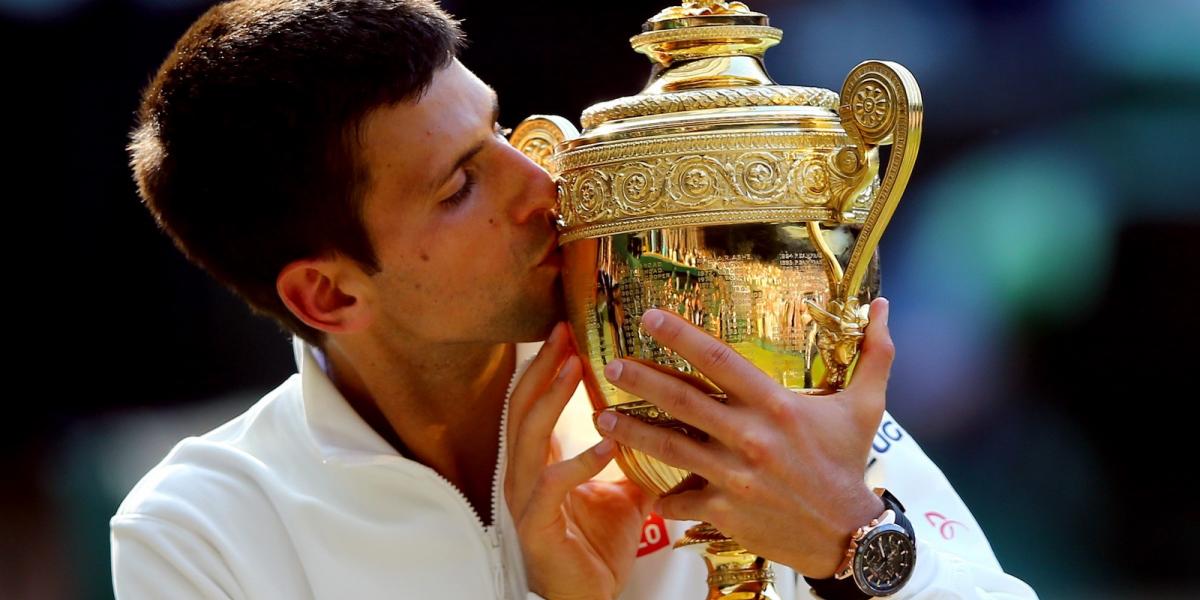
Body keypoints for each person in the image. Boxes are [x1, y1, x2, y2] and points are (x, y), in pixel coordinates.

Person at [111, 1, 1039, 598]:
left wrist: (853, 543)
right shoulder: (198, 529)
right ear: (326, 293)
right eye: (459, 186)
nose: (540, 183)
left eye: (501, 129)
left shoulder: (710, 357)